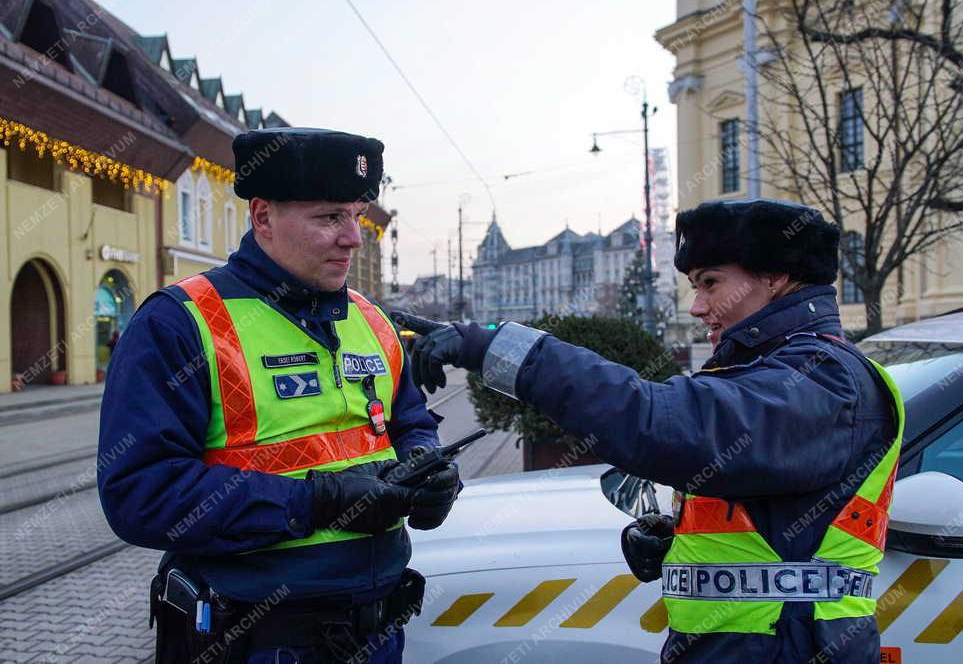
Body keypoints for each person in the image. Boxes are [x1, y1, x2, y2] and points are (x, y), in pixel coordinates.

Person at [395, 199, 903, 663]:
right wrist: (680, 544)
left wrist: (495, 347)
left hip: (787, 646)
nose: (697, 307)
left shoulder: (822, 377)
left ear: (774, 277)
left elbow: (659, 422)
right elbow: (772, 521)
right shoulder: (780, 371)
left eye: (710, 283)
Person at [98, 128, 460, 663]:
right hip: (255, 642)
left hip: (379, 631)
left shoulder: (372, 320)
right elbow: (139, 492)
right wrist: (314, 502)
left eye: (356, 215)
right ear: (263, 217)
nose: (353, 238)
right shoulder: (183, 323)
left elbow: (409, 422)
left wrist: (427, 470)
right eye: (329, 217)